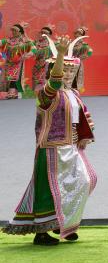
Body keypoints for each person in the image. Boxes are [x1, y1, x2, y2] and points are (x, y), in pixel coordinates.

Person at [3, 34, 96, 245]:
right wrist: (61, 55)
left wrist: (85, 136)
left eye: (72, 70)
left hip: (71, 145)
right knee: (47, 189)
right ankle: (42, 232)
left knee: (85, 180)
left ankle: (65, 223)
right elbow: (54, 82)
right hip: (52, 147)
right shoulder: (46, 93)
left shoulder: (73, 93)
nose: (68, 74)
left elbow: (84, 116)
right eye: (65, 70)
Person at [1, 21, 34, 99]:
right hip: (9, 63)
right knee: (6, 77)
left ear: (20, 32)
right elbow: (1, 42)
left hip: (18, 63)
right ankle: (9, 91)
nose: (13, 32)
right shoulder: (9, 41)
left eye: (15, 30)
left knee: (14, 76)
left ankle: (13, 91)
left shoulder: (24, 41)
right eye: (12, 30)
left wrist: (28, 54)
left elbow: (33, 49)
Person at [30, 25, 55, 97]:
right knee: (35, 78)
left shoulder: (53, 43)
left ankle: (45, 93)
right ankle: (35, 93)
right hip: (38, 64)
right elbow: (28, 42)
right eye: (42, 32)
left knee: (45, 78)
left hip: (47, 64)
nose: (43, 34)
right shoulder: (37, 42)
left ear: (49, 34)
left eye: (45, 33)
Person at [69, 27, 93, 94]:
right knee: (68, 76)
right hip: (69, 62)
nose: (77, 35)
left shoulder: (84, 45)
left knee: (76, 76)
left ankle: (75, 91)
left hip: (77, 63)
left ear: (82, 36)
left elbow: (90, 52)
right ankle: (68, 89)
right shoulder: (71, 43)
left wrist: (81, 58)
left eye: (79, 34)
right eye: (76, 33)